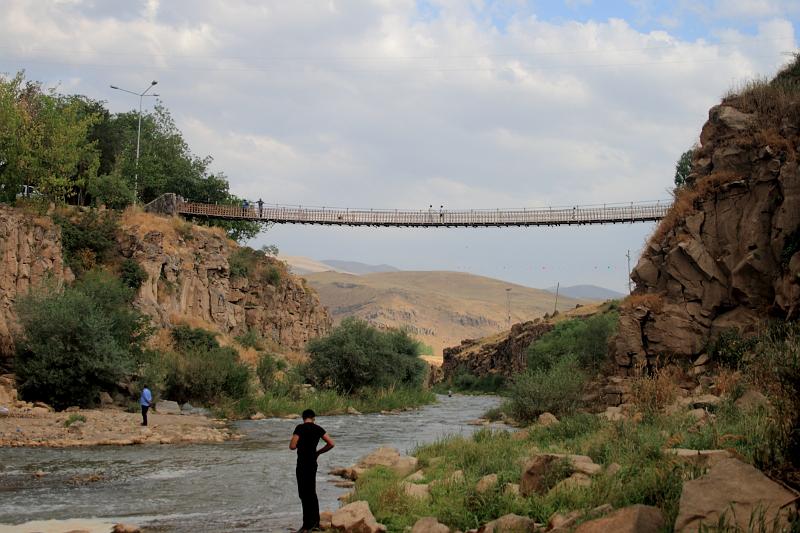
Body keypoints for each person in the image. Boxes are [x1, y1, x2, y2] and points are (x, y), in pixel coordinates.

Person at [289, 409, 335, 532]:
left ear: (303, 418)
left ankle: (306, 525)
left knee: (303, 494)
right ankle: (315, 523)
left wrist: (301, 444)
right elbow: (331, 443)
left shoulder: (300, 428)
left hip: (302, 463)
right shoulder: (318, 428)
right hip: (312, 463)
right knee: (312, 493)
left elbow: (292, 446)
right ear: (313, 418)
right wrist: (318, 452)